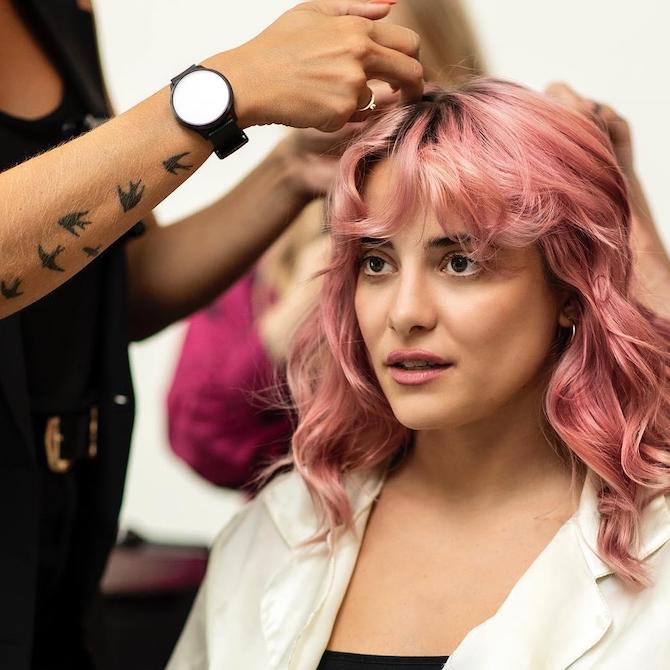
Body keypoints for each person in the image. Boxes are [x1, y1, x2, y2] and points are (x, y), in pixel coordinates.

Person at [167, 79, 670, 669]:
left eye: (460, 262)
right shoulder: (277, 531)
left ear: (569, 288)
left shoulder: (653, 549)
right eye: (376, 263)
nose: (404, 314)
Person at [0, 0, 424, 667]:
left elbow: (118, 286)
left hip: (57, 545)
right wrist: (222, 92)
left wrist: (290, 173)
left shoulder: (59, 14)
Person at [166, 0, 487, 490]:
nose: (348, 93)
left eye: (377, 62)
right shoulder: (271, 248)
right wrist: (286, 327)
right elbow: (201, 441)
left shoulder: (511, 217)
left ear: (447, 72)